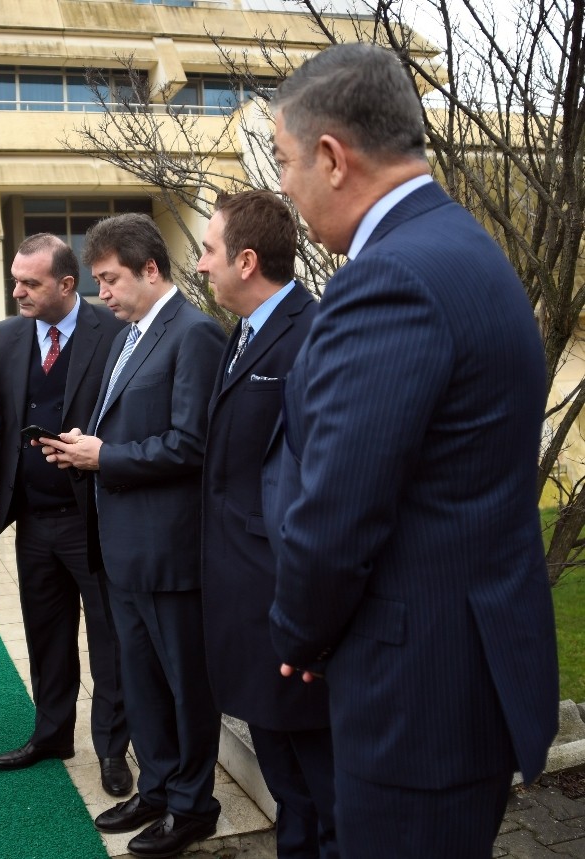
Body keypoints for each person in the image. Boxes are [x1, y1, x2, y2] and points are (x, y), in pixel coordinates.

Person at [266, 43, 559, 858]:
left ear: (332, 157)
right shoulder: (460, 245)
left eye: (286, 162)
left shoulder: (391, 278)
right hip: (464, 670)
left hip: (417, 695)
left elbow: (335, 514)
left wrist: (297, 635)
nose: (284, 188)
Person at [44, 213, 226, 859]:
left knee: (184, 685)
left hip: (171, 553)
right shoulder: (128, 335)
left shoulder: (195, 334)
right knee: (141, 683)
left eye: (111, 279)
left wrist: (105, 457)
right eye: (98, 281)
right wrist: (83, 449)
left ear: (152, 269)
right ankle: (156, 787)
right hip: (121, 549)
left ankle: (193, 805)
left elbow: (191, 444)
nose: (103, 294)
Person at [197, 190, 335, 859]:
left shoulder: (315, 334)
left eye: (208, 250)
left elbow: (324, 490)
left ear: (246, 260)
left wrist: (312, 621)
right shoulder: (243, 331)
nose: (199, 265)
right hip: (246, 609)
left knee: (325, 791)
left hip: (289, 612)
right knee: (288, 786)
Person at [0, 233, 131, 795]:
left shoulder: (115, 333)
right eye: (15, 280)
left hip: (93, 518)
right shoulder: (3, 337)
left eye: (30, 283)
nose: (17, 291)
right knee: (46, 635)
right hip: (32, 518)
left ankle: (113, 751)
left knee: (108, 640)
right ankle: (51, 733)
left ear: (67, 285)